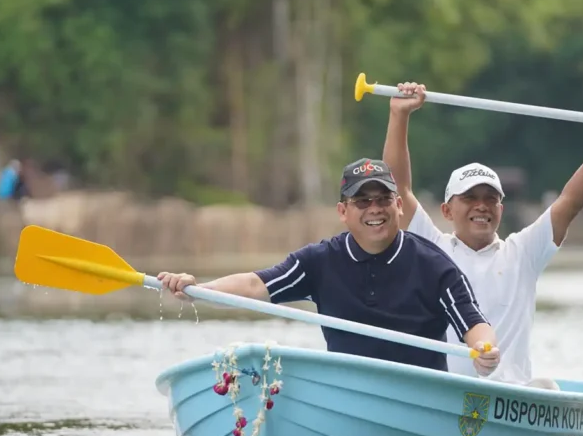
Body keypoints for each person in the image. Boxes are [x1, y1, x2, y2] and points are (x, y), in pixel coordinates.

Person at [157, 158, 502, 376]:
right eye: (362, 201)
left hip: (421, 396)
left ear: (398, 205)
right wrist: (196, 290)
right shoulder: (319, 261)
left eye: (383, 200)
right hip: (348, 389)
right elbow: (253, 286)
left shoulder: (434, 265)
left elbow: (474, 325)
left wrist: (485, 351)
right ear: (343, 211)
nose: (374, 209)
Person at [381, 81, 583, 389]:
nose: (481, 206)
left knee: (546, 386)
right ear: (446, 211)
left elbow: (569, 203)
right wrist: (399, 115)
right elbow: (397, 189)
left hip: (509, 398)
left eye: (490, 198)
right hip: (442, 393)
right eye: (469, 198)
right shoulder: (429, 247)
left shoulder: (522, 252)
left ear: (501, 209)